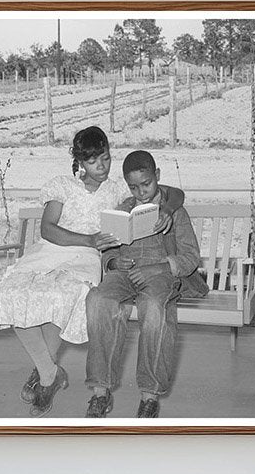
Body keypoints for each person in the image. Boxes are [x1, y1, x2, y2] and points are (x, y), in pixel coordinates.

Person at [0, 126, 170, 417]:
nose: (102, 167)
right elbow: (48, 229)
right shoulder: (61, 186)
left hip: (86, 260)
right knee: (10, 295)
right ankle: (49, 372)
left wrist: (167, 209)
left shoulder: (117, 188)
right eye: (94, 162)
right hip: (51, 251)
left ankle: (46, 374)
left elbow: (169, 193)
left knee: (64, 296)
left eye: (105, 158)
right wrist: (89, 238)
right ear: (80, 162)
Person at [83, 149, 207, 419]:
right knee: (98, 300)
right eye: (133, 187)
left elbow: (190, 256)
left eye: (146, 184)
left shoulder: (174, 212)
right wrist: (115, 263)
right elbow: (109, 252)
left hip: (161, 272)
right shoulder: (124, 209)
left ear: (157, 176)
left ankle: (149, 395)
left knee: (153, 307)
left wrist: (158, 268)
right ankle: (100, 392)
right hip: (125, 273)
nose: (140, 192)